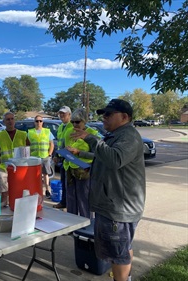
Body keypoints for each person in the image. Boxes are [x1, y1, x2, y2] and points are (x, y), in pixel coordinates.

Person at [71, 99, 145, 281]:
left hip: (118, 209)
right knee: (123, 249)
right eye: (103, 114)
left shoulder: (128, 136)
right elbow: (103, 157)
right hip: (115, 206)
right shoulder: (117, 135)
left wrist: (90, 137)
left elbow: (114, 159)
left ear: (125, 117)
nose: (104, 118)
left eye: (109, 114)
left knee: (119, 254)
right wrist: (81, 154)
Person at [63, 108, 98, 218]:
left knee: (84, 200)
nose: (74, 124)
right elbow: (64, 147)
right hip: (69, 169)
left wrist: (79, 152)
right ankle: (71, 224)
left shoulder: (92, 135)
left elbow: (98, 155)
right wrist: (61, 154)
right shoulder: (69, 132)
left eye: (77, 122)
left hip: (84, 171)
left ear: (84, 121)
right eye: (72, 122)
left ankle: (86, 225)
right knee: (71, 198)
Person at [0, 112, 30, 206]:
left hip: (19, 168)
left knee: (18, 190)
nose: (10, 121)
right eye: (8, 119)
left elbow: (28, 152)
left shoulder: (23, 134)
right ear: (4, 122)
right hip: (4, 167)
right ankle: (5, 203)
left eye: (12, 119)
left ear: (15, 120)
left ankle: (17, 206)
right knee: (4, 189)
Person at [27, 115, 54, 198]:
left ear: (43, 122)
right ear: (34, 122)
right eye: (37, 121)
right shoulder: (30, 132)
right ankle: (36, 190)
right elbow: (27, 145)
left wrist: (49, 154)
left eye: (40, 121)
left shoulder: (47, 131)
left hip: (45, 156)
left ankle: (47, 190)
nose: (39, 122)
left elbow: (51, 144)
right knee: (35, 175)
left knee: (45, 174)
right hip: (34, 157)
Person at [53, 106, 72, 209]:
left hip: (70, 158)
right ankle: (64, 202)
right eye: (60, 113)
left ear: (69, 115)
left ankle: (69, 203)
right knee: (63, 182)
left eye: (64, 114)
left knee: (69, 184)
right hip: (62, 158)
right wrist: (56, 155)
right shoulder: (61, 127)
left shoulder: (72, 126)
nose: (61, 116)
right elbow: (59, 143)